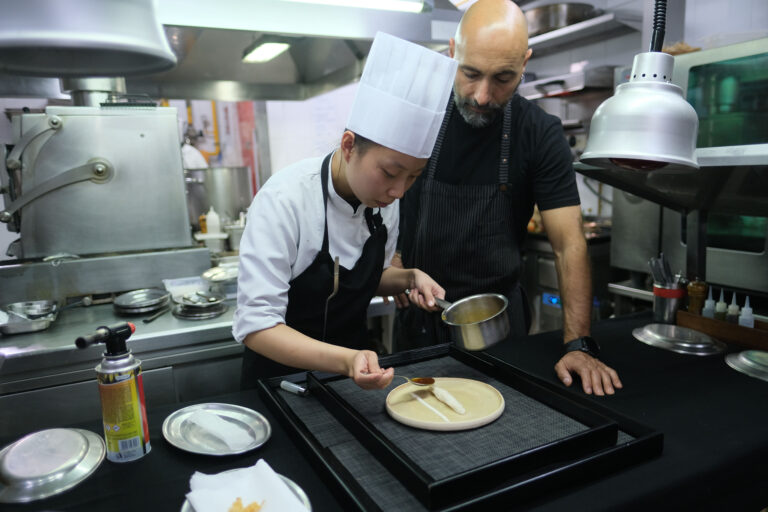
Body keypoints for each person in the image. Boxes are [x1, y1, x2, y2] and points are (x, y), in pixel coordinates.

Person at [393, 0, 622, 396]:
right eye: (470, 74)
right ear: (452, 52)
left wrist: (578, 344)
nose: (482, 95)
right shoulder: (415, 115)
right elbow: (375, 201)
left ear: (524, 63)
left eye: (503, 77)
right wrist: (392, 262)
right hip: (420, 323)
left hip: (499, 328)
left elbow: (569, 245)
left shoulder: (539, 133)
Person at [233, 32, 458, 391]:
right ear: (350, 146)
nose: (399, 190)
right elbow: (257, 327)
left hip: (349, 382)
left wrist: (410, 276)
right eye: (390, 172)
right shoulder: (285, 200)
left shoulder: (385, 202)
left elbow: (361, 276)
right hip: (278, 386)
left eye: (414, 176)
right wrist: (345, 358)